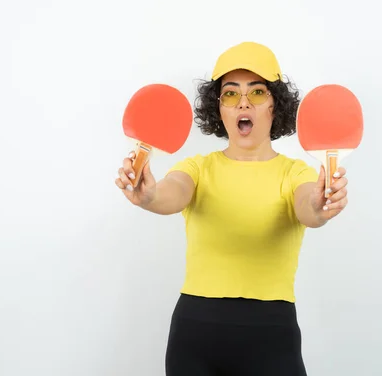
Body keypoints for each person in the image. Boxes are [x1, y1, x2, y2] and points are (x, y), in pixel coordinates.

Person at [115, 42, 349, 375]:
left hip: (273, 336)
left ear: (275, 105)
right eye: (230, 94)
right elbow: (172, 192)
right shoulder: (197, 168)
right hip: (194, 335)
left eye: (257, 92)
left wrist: (321, 205)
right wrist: (149, 195)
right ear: (219, 108)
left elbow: (309, 207)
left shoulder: (296, 173)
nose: (242, 103)